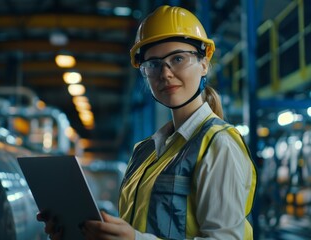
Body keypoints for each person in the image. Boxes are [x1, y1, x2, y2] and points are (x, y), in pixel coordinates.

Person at [37, 5, 257, 240]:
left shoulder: (219, 144)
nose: (166, 73)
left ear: (204, 64)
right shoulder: (144, 152)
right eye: (154, 64)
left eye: (178, 58)